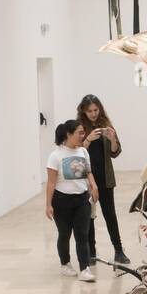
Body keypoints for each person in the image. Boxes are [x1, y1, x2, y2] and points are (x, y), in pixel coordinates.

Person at [78, 94, 131, 267]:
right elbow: (75, 154)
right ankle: (91, 252)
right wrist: (87, 139)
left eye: (95, 110)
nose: (93, 114)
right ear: (83, 112)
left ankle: (119, 251)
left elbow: (115, 152)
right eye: (89, 111)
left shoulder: (106, 125)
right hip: (86, 179)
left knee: (110, 215)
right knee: (89, 216)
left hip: (106, 178)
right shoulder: (79, 128)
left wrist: (113, 139)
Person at [45, 120, 98, 281]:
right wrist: (48, 204)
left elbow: (88, 171)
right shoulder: (56, 155)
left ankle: (84, 268)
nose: (83, 136)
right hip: (61, 201)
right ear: (68, 134)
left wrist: (94, 186)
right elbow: (51, 182)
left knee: (82, 235)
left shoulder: (83, 151)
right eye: (79, 133)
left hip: (82, 199)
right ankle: (65, 264)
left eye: (83, 132)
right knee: (65, 234)